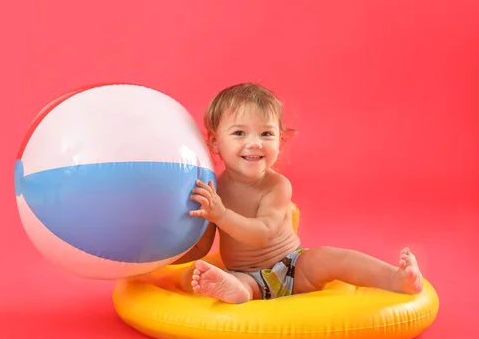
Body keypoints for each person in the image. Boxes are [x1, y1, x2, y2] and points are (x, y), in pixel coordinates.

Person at [175, 83, 423, 303]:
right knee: (239, 282)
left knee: (332, 258)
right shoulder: (214, 190)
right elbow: (201, 246)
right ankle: (239, 291)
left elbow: (264, 233)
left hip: (293, 265)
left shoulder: (277, 185)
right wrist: (158, 261)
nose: (255, 143)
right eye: (239, 133)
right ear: (216, 142)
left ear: (280, 141)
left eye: (266, 134)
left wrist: (221, 215)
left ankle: (395, 279)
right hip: (246, 274)